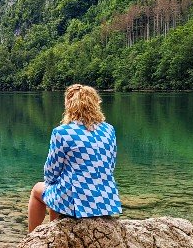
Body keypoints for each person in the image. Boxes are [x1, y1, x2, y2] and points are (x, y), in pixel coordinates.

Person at [27, 84, 122, 232]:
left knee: (38, 190)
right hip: (106, 201)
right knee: (59, 190)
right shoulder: (109, 129)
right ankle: (56, 234)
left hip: (79, 203)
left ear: (70, 106)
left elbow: (50, 173)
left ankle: (31, 238)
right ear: (95, 104)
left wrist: (55, 182)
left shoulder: (62, 132)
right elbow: (110, 166)